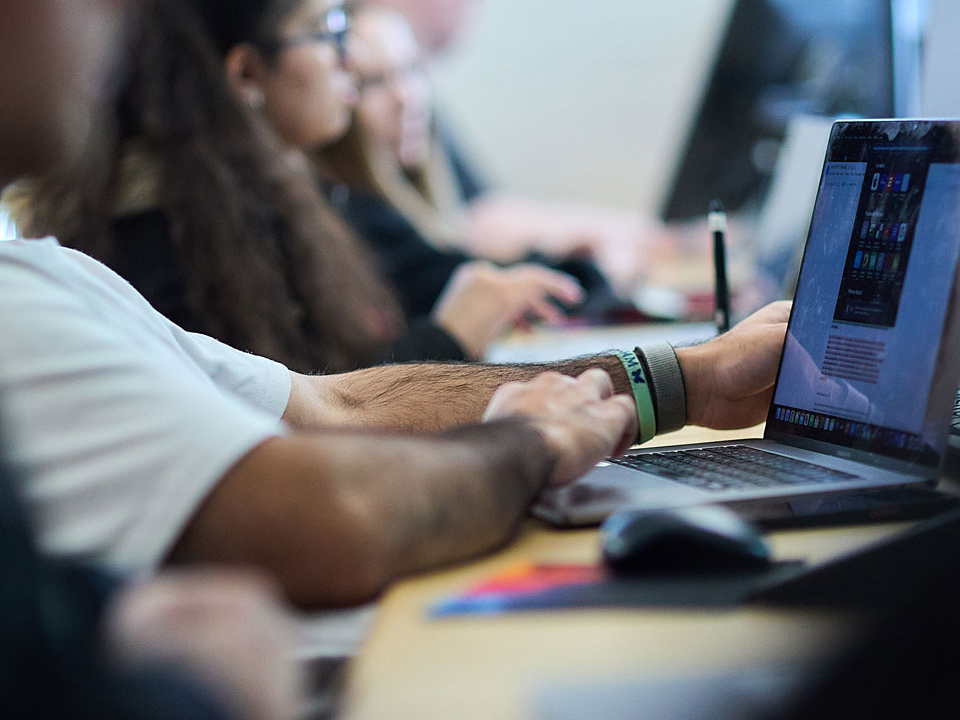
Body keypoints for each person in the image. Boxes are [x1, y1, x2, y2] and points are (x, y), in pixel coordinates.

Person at [0, 0, 789, 612]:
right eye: (327, 31)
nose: (123, 16)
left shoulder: (48, 273)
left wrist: (685, 378)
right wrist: (535, 445)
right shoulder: (25, 308)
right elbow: (332, 513)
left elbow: (333, 403)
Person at [6, 0, 585, 371]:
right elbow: (286, 436)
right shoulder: (159, 246)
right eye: (323, 29)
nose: (347, 57)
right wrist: (446, 337)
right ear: (248, 75)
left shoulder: (275, 197)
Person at [353, 0, 679, 295]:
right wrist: (601, 268)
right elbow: (463, 256)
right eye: (374, 81)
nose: (406, 96)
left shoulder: (424, 128)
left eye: (413, 70)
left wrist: (599, 240)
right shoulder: (361, 209)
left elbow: (484, 215)